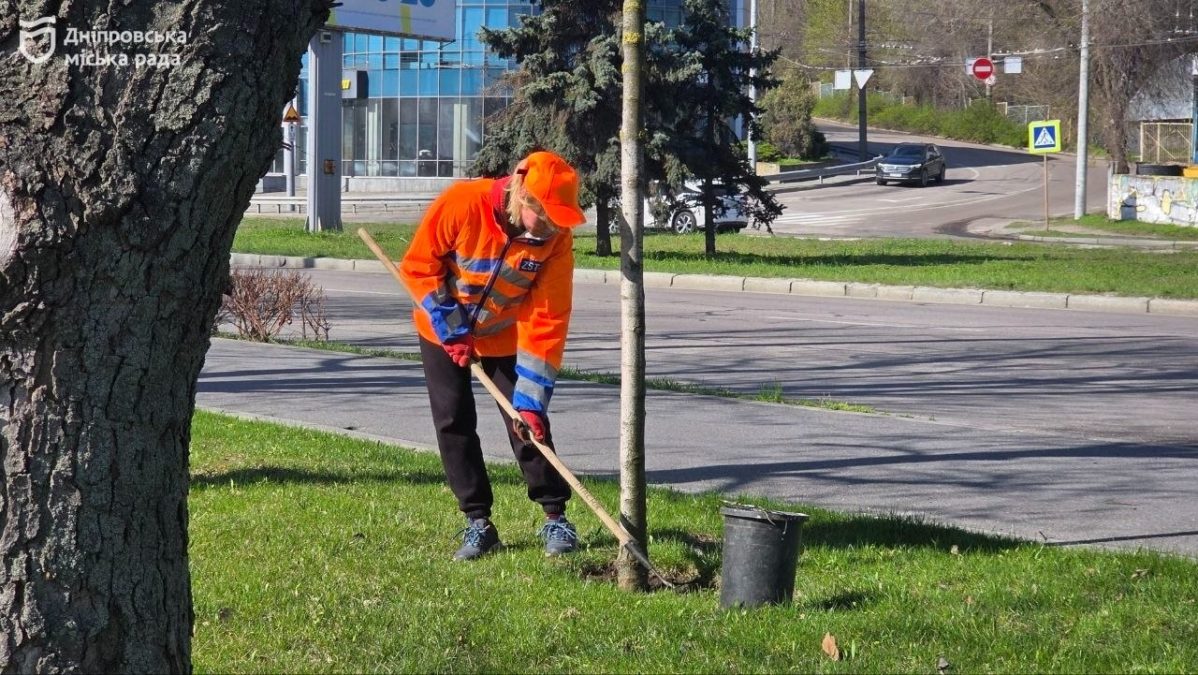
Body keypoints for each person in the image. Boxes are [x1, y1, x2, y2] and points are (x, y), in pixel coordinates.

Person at [399, 150, 587, 561]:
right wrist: (451, 327)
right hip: (442, 329)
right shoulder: (462, 203)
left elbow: (548, 317)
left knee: (527, 424)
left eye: (560, 219)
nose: (553, 227)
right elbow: (418, 266)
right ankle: (478, 522)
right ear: (522, 197)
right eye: (547, 217)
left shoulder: (555, 240)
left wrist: (534, 400)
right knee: (453, 420)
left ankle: (555, 516)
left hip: (502, 334)